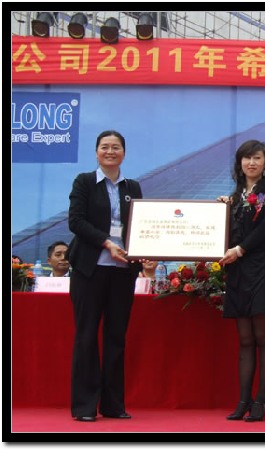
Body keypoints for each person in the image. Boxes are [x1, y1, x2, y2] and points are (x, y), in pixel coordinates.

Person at [67, 130, 143, 422]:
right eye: (105, 147)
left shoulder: (132, 187)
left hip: (122, 271)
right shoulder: (85, 182)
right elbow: (76, 221)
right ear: (96, 151)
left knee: (116, 337)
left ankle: (113, 405)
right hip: (90, 268)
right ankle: (85, 406)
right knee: (86, 336)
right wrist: (107, 243)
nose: (110, 152)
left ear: (124, 152)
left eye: (116, 147)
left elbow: (140, 226)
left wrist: (144, 250)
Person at [217, 139, 265, 422]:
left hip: (262, 269)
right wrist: (221, 213)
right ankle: (243, 400)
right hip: (238, 271)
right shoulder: (234, 196)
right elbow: (228, 233)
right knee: (245, 339)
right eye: (246, 158)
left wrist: (240, 249)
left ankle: (261, 400)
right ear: (239, 163)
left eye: (257, 158)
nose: (251, 163)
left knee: (263, 337)